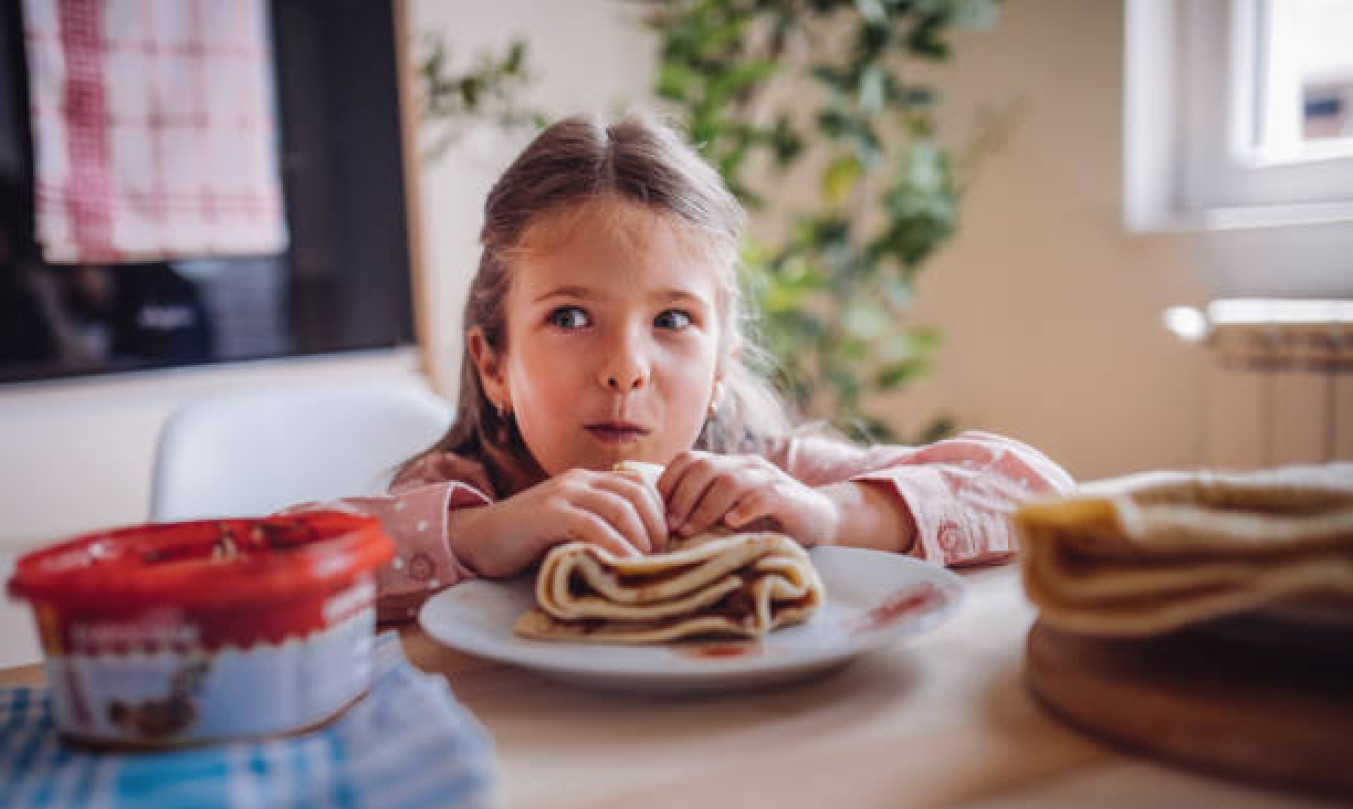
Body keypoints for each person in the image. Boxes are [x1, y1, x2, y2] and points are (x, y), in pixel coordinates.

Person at [322, 114, 1074, 622]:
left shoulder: (768, 479)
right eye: (570, 317)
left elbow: (1040, 494)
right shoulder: (465, 495)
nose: (625, 369)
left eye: (672, 320)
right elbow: (294, 562)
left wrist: (835, 514)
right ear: (494, 364)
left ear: (720, 367)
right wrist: (482, 538)